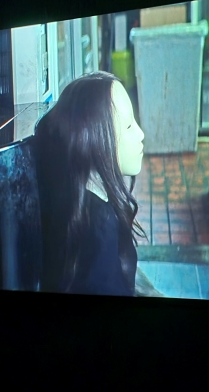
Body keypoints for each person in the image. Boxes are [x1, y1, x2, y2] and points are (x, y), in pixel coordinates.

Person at [35, 71, 161, 297]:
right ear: (93, 139)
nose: (141, 134)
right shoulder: (99, 228)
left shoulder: (76, 201)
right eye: (128, 126)